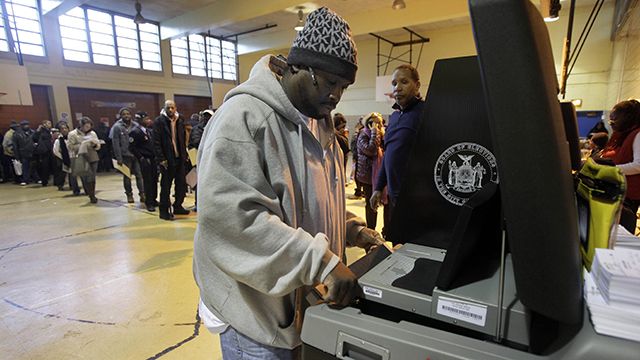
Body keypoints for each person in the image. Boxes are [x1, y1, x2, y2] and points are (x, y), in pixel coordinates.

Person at [193, 7, 384, 359]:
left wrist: (352, 229)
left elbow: (309, 203)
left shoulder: (320, 122)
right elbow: (235, 221)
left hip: (300, 309)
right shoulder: (244, 119)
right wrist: (322, 263)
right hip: (255, 319)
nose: (336, 96)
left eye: (343, 86)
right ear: (296, 67)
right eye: (328, 82)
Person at [370, 64, 425, 222]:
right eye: (394, 83)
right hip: (395, 197)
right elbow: (388, 155)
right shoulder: (394, 117)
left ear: (417, 85)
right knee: (397, 243)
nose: (398, 88)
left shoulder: (425, 113)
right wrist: (379, 188)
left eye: (404, 82)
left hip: (417, 199)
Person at [601, 99, 640, 233]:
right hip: (617, 188)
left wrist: (610, 169)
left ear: (627, 118)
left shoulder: (637, 134)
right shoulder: (622, 135)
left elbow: (638, 165)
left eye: (614, 120)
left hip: (629, 194)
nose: (611, 123)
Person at [153, 100, 190, 220]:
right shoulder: (159, 121)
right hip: (167, 159)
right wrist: (161, 158)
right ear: (165, 108)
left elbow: (183, 138)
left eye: (172, 108)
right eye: (168, 108)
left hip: (180, 158)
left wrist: (185, 154)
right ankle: (164, 211)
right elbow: (156, 142)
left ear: (175, 108)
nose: (170, 110)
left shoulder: (180, 120)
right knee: (166, 186)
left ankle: (178, 206)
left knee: (181, 184)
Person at [356, 112, 385, 230]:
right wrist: (374, 132)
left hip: (380, 173)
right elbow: (371, 149)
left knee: (381, 202)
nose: (377, 126)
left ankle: (381, 229)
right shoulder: (363, 135)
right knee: (370, 203)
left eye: (379, 123)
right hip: (368, 176)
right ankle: (371, 229)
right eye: (374, 123)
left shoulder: (381, 135)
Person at [110, 107, 145, 204]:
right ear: (121, 116)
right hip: (125, 155)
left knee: (139, 175)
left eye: (128, 114)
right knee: (127, 176)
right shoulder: (117, 127)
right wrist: (118, 157)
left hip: (136, 155)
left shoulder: (136, 125)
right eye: (124, 114)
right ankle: (129, 194)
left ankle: (142, 194)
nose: (126, 116)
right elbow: (115, 143)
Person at [129, 111, 158, 212]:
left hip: (153, 159)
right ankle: (149, 202)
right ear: (139, 120)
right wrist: (140, 157)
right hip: (145, 159)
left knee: (154, 179)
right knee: (148, 181)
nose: (148, 120)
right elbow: (132, 147)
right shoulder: (135, 132)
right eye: (145, 119)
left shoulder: (148, 131)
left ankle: (154, 199)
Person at [68, 117, 101, 203]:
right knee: (85, 177)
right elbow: (70, 147)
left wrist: (95, 144)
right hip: (81, 157)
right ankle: (89, 193)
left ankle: (92, 195)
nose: (87, 128)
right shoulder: (73, 134)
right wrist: (82, 145)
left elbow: (98, 145)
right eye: (86, 126)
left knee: (92, 177)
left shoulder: (92, 133)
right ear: (81, 126)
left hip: (93, 156)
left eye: (89, 126)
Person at [188, 108, 214, 212]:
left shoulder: (213, 128)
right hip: (199, 159)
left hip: (210, 159)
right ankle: (198, 204)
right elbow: (196, 142)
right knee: (199, 184)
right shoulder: (197, 129)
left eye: (209, 116)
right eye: (205, 116)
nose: (206, 118)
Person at [53, 122, 81, 194]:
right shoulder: (58, 140)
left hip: (74, 157)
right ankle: (63, 185)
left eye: (65, 128)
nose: (64, 130)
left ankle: (74, 187)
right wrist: (63, 158)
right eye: (62, 129)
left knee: (74, 174)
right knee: (65, 174)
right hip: (64, 159)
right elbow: (56, 151)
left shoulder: (72, 137)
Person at [12, 120, 36, 186]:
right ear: (21, 126)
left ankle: (36, 178)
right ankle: (26, 180)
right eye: (24, 125)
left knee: (34, 166)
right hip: (23, 152)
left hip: (32, 152)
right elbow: (15, 146)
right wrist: (17, 156)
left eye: (27, 124)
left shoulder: (33, 132)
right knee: (25, 167)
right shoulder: (17, 134)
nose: (26, 126)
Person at [33, 120, 54, 186]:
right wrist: (38, 131)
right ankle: (44, 181)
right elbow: (34, 138)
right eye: (48, 123)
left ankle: (54, 180)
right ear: (44, 124)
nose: (50, 124)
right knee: (45, 167)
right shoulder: (41, 131)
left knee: (52, 166)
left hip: (50, 150)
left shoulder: (50, 131)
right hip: (44, 151)